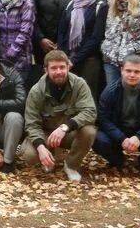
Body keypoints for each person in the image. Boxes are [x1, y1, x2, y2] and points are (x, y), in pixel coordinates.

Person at [22, 50, 97, 181]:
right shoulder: (36, 91)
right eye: (54, 68)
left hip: (68, 132)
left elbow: (90, 112)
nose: (58, 72)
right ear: (46, 70)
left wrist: (65, 128)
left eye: (62, 67)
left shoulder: (79, 84)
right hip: (45, 134)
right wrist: (40, 148)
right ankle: (49, 156)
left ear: (68, 67)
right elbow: (31, 124)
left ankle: (71, 165)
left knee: (89, 131)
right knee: (30, 156)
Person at [57, 0, 108, 101]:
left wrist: (75, 59)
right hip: (68, 58)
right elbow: (62, 32)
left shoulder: (100, 6)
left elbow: (96, 38)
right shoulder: (70, 4)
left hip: (89, 59)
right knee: (69, 95)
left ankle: (88, 122)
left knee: (87, 96)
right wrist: (64, 57)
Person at [31, 0, 75, 88]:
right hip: (43, 43)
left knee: (65, 78)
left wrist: (64, 41)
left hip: (69, 42)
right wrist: (40, 38)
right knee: (44, 80)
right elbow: (32, 16)